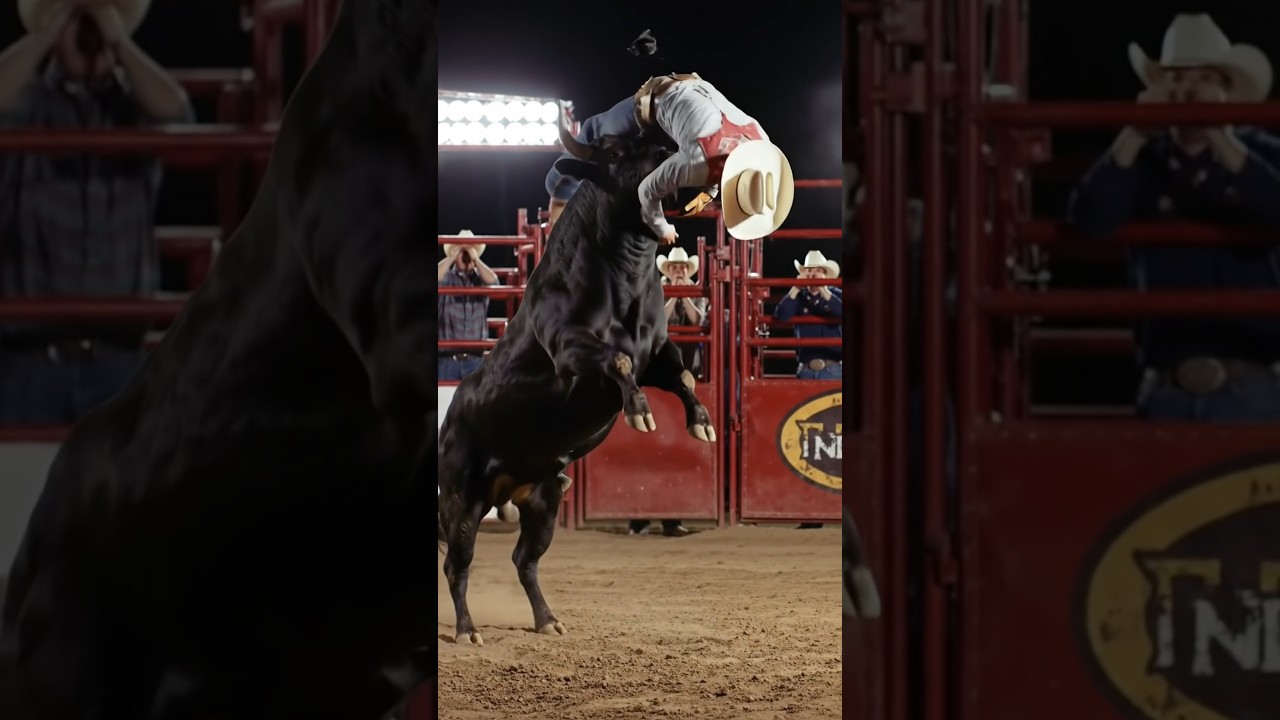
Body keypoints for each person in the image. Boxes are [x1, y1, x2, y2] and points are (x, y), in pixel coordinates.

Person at [1067, 13, 1280, 422]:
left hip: (1255, 386)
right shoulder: (1142, 160)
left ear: (1226, 90)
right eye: (1176, 77)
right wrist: (1137, 130)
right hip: (1166, 386)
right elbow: (1090, 220)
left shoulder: (1263, 152)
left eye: (1204, 78)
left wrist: (1221, 134)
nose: (1188, 89)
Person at [0, 0, 194, 425]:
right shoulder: (29, 106)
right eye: (78, 22)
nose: (88, 33)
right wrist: (47, 36)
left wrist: (121, 43)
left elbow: (179, 114)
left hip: (119, 363)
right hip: (31, 364)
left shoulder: (135, 111)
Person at [626, 246, 708, 539]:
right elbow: (656, 324)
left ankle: (672, 518)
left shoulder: (697, 293)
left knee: (677, 452)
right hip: (654, 374)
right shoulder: (653, 293)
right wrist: (674, 295)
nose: (679, 271)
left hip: (683, 375)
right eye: (674, 267)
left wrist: (685, 295)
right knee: (645, 453)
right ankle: (639, 519)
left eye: (682, 267)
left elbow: (698, 321)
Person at [437, 230, 498, 381]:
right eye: (462, 251)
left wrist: (476, 259)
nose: (466, 255)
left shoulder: (480, 280)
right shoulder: (447, 279)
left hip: (475, 360)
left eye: (469, 251)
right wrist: (452, 257)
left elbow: (494, 282)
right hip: (447, 360)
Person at [775, 250, 843, 380]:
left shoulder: (836, 294)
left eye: (818, 270)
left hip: (833, 368)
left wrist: (823, 288)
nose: (813, 274)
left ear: (825, 274)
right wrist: (796, 287)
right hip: (806, 368)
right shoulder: (798, 296)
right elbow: (782, 315)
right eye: (809, 270)